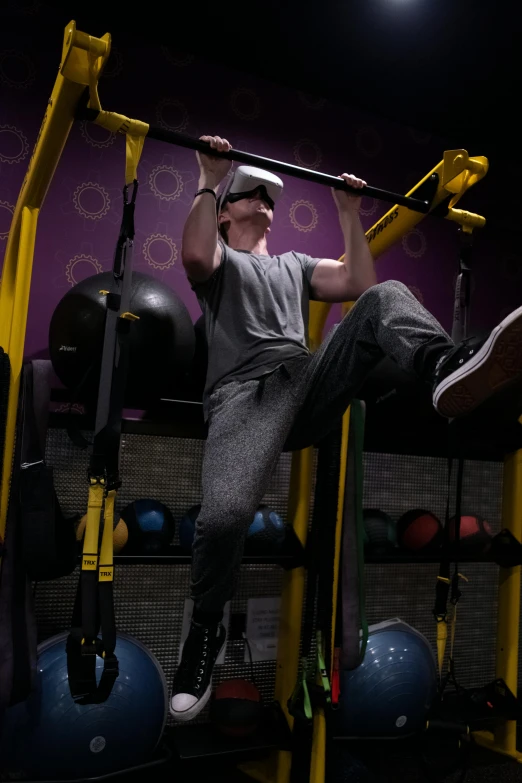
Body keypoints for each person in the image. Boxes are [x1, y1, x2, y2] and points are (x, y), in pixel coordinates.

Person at [170, 135, 522, 721]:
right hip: (244, 398)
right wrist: (208, 177)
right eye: (249, 191)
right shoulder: (223, 265)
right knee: (226, 515)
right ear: (226, 211)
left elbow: (357, 284)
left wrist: (348, 213)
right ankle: (204, 630)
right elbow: (195, 259)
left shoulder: (293, 265)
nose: (262, 199)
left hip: (305, 382)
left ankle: (442, 366)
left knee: (385, 295)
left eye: (269, 195)